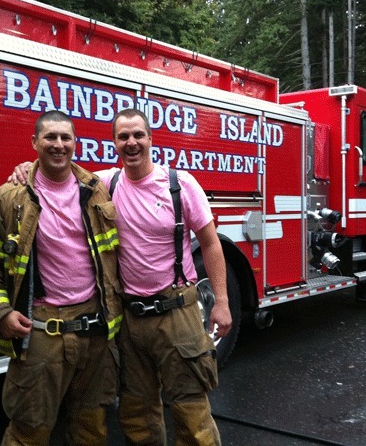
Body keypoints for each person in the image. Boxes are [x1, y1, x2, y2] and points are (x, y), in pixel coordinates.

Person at [12, 108, 232, 445]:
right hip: (129, 320)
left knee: (192, 414)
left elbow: (211, 244)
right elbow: (60, 172)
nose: (131, 143)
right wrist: (28, 168)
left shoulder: (180, 185)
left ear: (150, 139)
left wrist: (222, 303)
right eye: (123, 136)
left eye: (138, 135)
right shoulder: (106, 184)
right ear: (114, 143)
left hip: (178, 314)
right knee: (137, 415)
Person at [0, 110, 123, 445]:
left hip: (95, 330)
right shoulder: (9, 198)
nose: (58, 145)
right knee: (30, 430)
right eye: (50, 137)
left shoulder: (97, 190)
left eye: (65, 138)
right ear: (35, 143)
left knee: (92, 427)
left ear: (75, 143)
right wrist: (0, 313)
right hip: (41, 333)